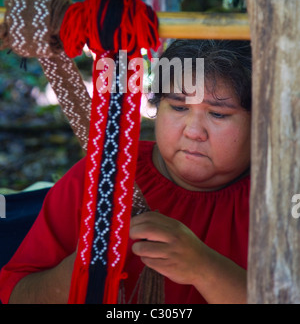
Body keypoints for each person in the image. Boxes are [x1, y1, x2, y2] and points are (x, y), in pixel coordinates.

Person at [0, 39, 252, 304]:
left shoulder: (279, 200)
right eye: (179, 107)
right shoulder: (103, 176)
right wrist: (86, 267)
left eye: (218, 114)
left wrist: (206, 270)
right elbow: (15, 295)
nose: (193, 131)